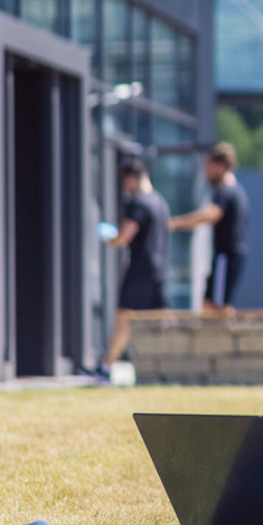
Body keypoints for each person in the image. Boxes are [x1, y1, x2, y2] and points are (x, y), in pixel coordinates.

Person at [98, 158, 170, 375]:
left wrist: (110, 238)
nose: (124, 188)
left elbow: (124, 237)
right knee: (162, 321)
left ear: (131, 179)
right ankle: (166, 367)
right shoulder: (160, 202)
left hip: (140, 270)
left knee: (124, 319)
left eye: (124, 182)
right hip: (159, 271)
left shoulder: (138, 203)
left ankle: (105, 367)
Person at [169, 142, 248, 318]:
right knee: (211, 305)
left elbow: (211, 214)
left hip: (225, 257)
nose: (205, 172)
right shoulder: (235, 190)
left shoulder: (225, 191)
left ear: (220, 166)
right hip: (226, 258)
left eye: (208, 166)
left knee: (218, 308)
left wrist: (177, 222)